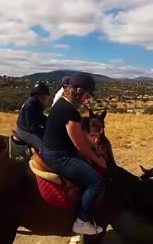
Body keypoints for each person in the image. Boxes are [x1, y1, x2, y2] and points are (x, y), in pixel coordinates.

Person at [40, 72, 106, 235]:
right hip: (59, 156)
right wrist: (98, 159)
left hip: (50, 150)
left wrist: (93, 144)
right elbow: (79, 144)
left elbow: (77, 135)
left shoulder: (61, 104)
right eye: (87, 94)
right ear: (77, 90)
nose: (88, 98)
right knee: (96, 183)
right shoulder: (70, 111)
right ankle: (82, 221)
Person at [16, 82, 50, 151]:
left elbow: (41, 118)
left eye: (45, 96)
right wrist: (45, 131)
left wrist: (51, 124)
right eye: (43, 95)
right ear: (36, 95)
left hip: (30, 129)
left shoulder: (38, 104)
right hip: (24, 131)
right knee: (45, 149)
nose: (45, 98)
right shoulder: (30, 106)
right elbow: (32, 127)